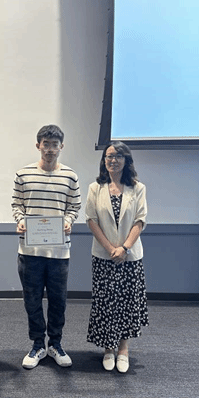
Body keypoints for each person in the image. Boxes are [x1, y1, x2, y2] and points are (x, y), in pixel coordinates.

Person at [11, 124, 81, 369]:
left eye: (54, 145)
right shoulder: (23, 174)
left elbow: (74, 207)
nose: (50, 149)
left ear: (61, 147)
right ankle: (38, 344)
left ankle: (56, 344)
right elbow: (17, 205)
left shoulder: (70, 176)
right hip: (29, 251)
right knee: (32, 300)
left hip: (59, 252)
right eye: (46, 144)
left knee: (58, 301)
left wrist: (68, 221)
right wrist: (20, 221)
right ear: (38, 145)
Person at [85, 141, 149, 373]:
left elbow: (140, 220)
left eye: (119, 156)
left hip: (129, 257)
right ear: (104, 160)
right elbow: (91, 220)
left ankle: (123, 348)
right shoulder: (95, 188)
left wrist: (124, 248)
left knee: (127, 302)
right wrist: (111, 248)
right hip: (103, 256)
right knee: (106, 302)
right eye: (109, 156)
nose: (113, 160)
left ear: (126, 160)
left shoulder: (138, 188)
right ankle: (108, 348)